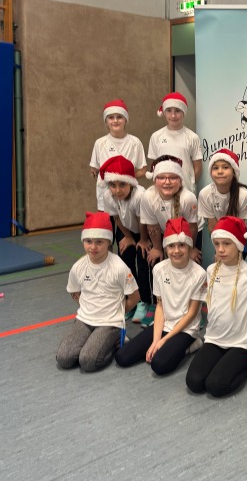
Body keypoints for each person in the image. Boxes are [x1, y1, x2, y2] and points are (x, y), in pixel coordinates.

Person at [115, 218, 206, 374]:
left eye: (182, 245)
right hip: (164, 324)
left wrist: (164, 340)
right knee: (122, 357)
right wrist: (156, 340)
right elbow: (160, 306)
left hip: (186, 329)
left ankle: (192, 345)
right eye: (171, 246)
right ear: (165, 247)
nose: (176, 251)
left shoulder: (199, 274)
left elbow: (191, 314)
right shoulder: (159, 269)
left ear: (190, 246)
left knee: (159, 364)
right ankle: (166, 345)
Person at [186, 216, 247, 397]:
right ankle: (224, 360)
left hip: (242, 343)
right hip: (215, 339)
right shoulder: (210, 270)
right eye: (217, 244)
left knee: (215, 386)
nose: (221, 249)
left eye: (227, 243)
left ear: (239, 245)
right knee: (194, 382)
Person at [56, 212, 140, 372]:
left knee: (88, 361)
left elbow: (135, 297)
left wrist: (117, 313)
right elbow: (74, 292)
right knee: (64, 358)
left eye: (99, 242)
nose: (93, 247)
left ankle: (114, 340)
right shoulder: (78, 267)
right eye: (88, 241)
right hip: (85, 319)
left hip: (110, 322)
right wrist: (90, 307)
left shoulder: (119, 267)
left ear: (108, 242)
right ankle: (95, 341)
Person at [140, 155, 200, 327]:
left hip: (187, 234)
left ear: (180, 181)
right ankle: (155, 304)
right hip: (162, 232)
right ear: (155, 181)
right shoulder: (148, 197)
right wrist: (157, 248)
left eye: (173, 178)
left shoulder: (188, 198)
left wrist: (191, 249)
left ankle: (190, 309)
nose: (167, 182)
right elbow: (152, 226)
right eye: (162, 178)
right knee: (155, 260)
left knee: (187, 265)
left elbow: (193, 227)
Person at [100, 155, 153, 324]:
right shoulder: (108, 196)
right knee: (125, 263)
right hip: (126, 229)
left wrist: (142, 240)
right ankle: (132, 299)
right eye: (113, 185)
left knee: (143, 264)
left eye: (122, 184)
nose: (117, 190)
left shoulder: (139, 196)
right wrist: (128, 237)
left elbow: (142, 220)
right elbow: (116, 218)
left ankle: (145, 301)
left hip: (145, 230)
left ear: (131, 183)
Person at [89, 99, 147, 211]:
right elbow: (94, 169)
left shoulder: (135, 142)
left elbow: (143, 170)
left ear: (126, 120)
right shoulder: (100, 143)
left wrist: (125, 179)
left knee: (128, 221)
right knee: (107, 221)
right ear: (106, 121)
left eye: (119, 117)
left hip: (128, 195)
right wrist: (102, 177)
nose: (115, 121)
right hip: (105, 195)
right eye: (111, 117)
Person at [198, 148, 247, 253]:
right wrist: (220, 249)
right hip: (218, 228)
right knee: (221, 256)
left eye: (225, 167)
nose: (220, 171)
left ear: (234, 172)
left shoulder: (244, 195)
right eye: (215, 168)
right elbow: (212, 225)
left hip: (243, 228)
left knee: (236, 258)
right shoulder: (205, 194)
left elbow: (241, 226)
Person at [148, 92, 202, 194]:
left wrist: (190, 183)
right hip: (163, 190)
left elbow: (198, 167)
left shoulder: (192, 137)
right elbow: (154, 166)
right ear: (164, 113)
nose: (173, 115)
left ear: (183, 113)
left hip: (186, 190)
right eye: (169, 111)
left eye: (177, 111)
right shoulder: (156, 136)